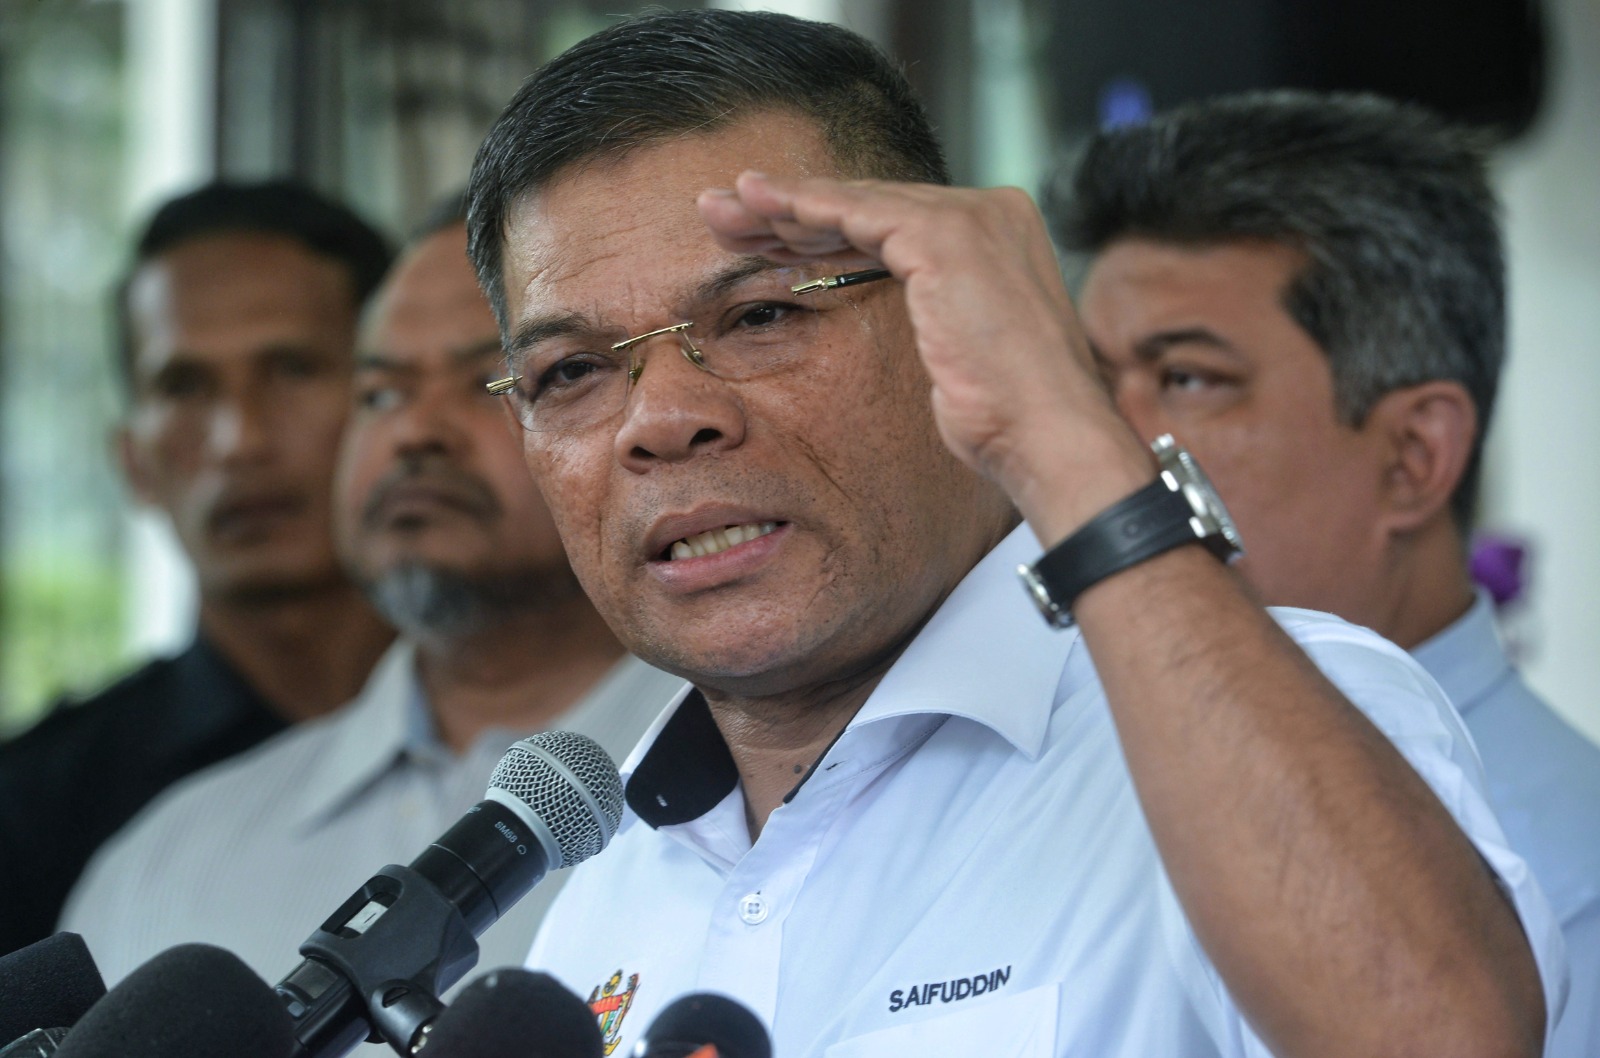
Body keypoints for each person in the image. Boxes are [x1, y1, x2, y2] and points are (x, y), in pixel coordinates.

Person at [464, 11, 1563, 1058]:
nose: (661, 418)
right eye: (572, 370)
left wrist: (1065, 431)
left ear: (951, 323)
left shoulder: (1293, 717)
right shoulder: (602, 897)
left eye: (762, 315)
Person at [1045, 89, 1600, 1058]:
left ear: (1413, 457)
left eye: (1186, 377)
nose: (1099, 444)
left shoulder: (1567, 884)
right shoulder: (1063, 776)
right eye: (1091, 384)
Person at [59, 202, 683, 996]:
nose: (415, 432)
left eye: (483, 380)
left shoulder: (763, 773)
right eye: (381, 394)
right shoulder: (166, 860)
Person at [0, 181, 397, 958]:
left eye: (291, 369)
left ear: (393, 407)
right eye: (184, 386)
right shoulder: (34, 814)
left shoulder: (557, 743)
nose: (239, 440)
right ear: (133, 461)